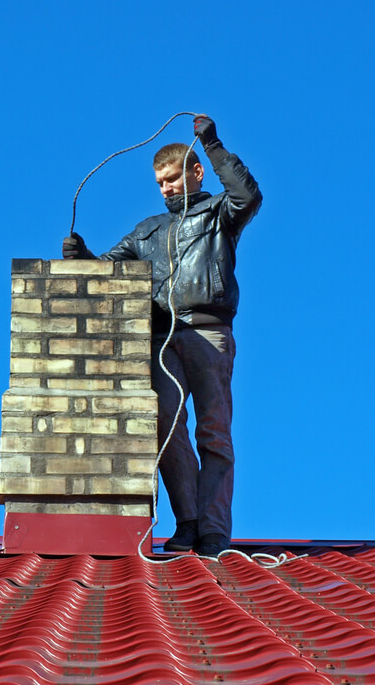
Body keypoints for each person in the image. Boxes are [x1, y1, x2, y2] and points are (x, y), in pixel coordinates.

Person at [62, 115, 262, 557]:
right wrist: (82, 257)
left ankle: (213, 532)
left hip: (209, 332)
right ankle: (188, 523)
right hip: (160, 337)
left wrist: (210, 143)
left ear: (195, 173)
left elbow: (248, 195)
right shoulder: (147, 230)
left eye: (172, 178)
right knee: (164, 428)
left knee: (214, 433)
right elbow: (108, 269)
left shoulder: (219, 213)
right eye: (159, 183)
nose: (166, 188)